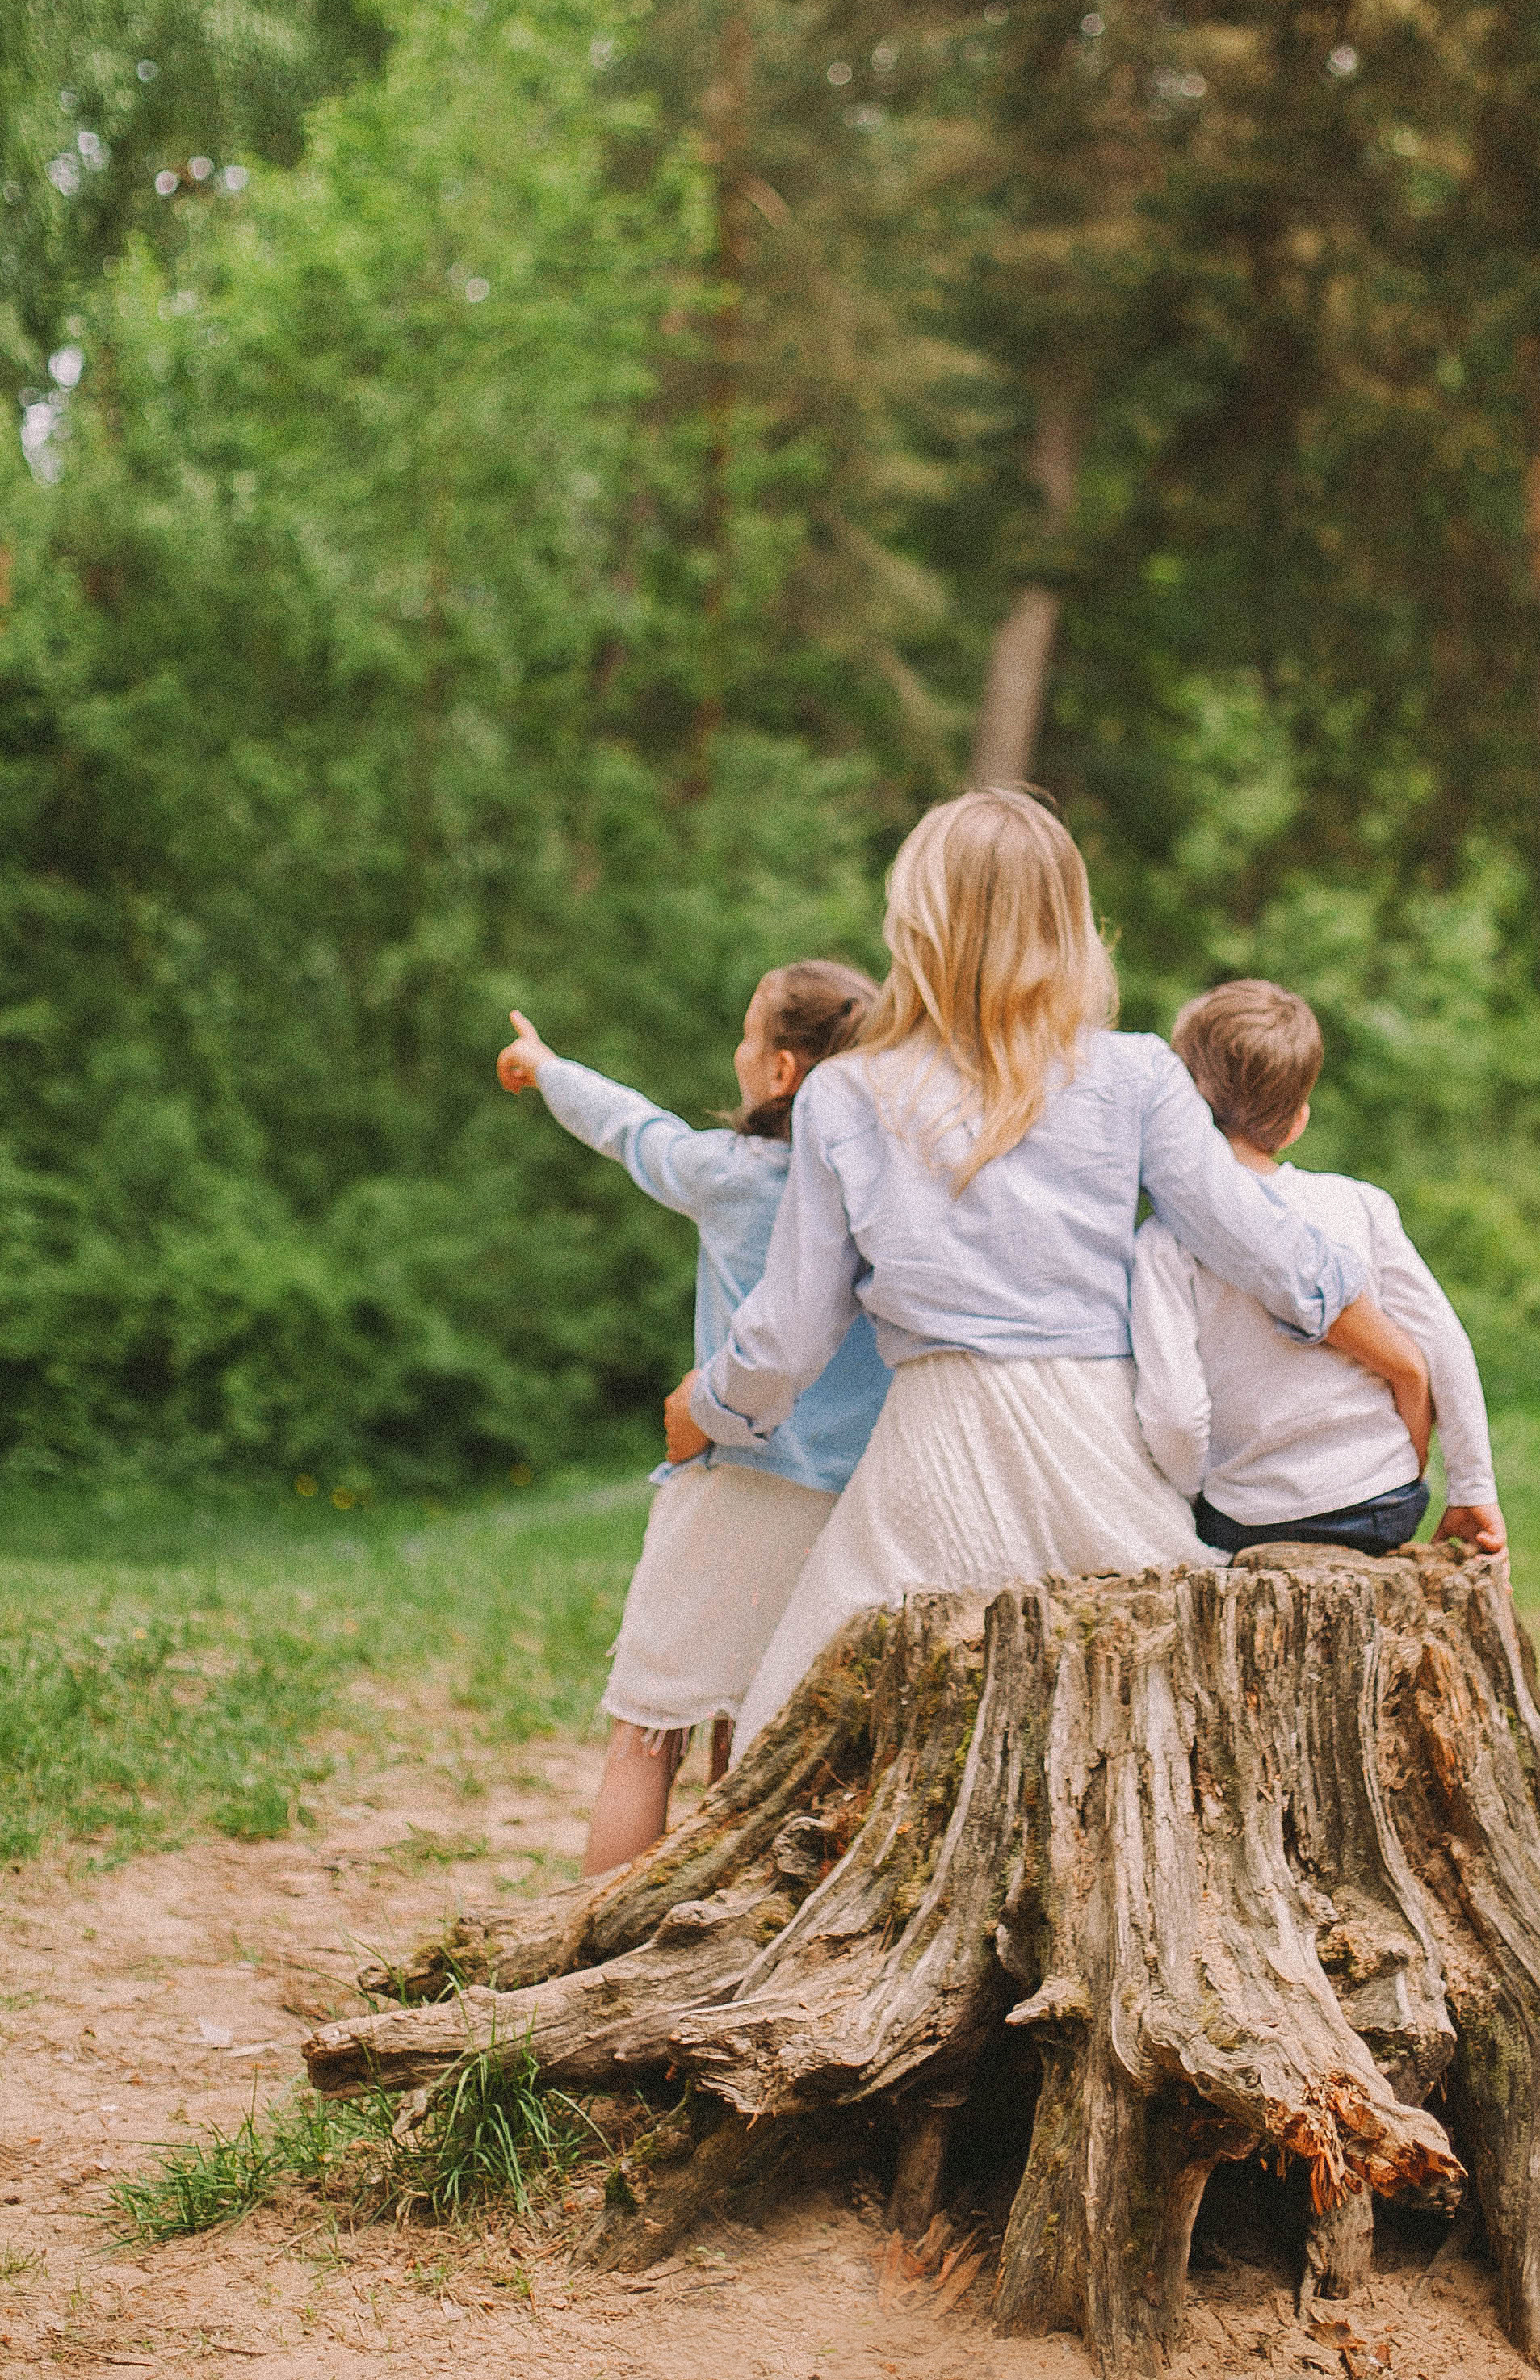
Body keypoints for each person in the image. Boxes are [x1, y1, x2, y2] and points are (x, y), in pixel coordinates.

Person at [658, 791, 1433, 1749]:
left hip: (931, 1456)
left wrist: (712, 1407)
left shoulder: (848, 1092)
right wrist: (1403, 1359)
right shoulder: (1135, 1072)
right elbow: (1266, 1250)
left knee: (808, 1731)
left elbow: (789, 1332)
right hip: (1099, 1444)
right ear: (1069, 922)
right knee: (1148, 1718)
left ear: (919, 921)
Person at [497, 963, 888, 1869]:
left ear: (781, 1071)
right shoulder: (887, 1197)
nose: (740, 1051)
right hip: (846, 1508)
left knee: (649, 1728)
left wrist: (547, 1066)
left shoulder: (733, 1177)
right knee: (758, 1754)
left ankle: (591, 1949)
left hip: (734, 1482)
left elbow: (635, 1130)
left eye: (751, 1035)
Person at [1131, 978, 1506, 1567]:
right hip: (1380, 1500)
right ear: (1296, 1120)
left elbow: (1175, 1411)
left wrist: (1188, 1494)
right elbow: (1444, 1344)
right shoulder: (1358, 1205)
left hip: (1245, 1520)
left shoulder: (1164, 1240)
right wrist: (1472, 1488)